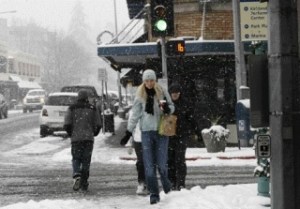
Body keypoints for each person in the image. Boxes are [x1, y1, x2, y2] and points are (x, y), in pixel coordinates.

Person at [120, 69, 175, 205]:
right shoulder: (140, 95)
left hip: (162, 132)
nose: (149, 83)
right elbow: (135, 115)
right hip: (146, 134)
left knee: (162, 166)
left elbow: (172, 106)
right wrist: (128, 132)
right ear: (143, 81)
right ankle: (154, 194)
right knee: (149, 168)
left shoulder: (162, 91)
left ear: (155, 80)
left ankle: (167, 186)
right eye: (146, 80)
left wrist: (168, 109)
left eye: (151, 80)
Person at [64, 89, 102, 192]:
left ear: (78, 97)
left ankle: (77, 174)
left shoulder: (71, 108)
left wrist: (71, 133)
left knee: (76, 158)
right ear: (87, 97)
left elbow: (67, 124)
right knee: (86, 160)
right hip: (88, 139)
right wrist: (94, 133)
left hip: (76, 138)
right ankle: (84, 182)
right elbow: (98, 124)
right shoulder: (92, 108)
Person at [167, 83, 198, 191]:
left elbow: (191, 118)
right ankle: (172, 182)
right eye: (173, 93)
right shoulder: (166, 104)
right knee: (169, 160)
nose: (175, 95)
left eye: (177, 93)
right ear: (169, 94)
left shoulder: (186, 104)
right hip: (169, 135)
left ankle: (180, 183)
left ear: (180, 93)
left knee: (179, 160)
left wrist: (194, 131)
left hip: (181, 135)